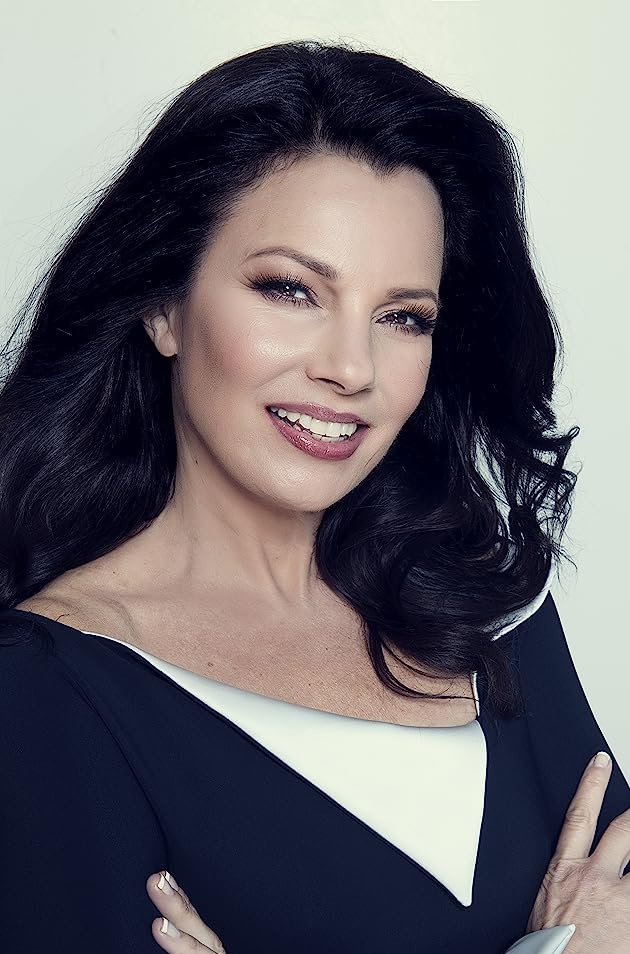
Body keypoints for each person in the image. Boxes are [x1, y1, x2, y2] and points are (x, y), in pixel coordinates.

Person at [0, 39, 628, 954]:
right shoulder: (46, 690)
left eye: (402, 316)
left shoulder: (490, 616)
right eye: (291, 289)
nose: (350, 368)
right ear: (164, 305)